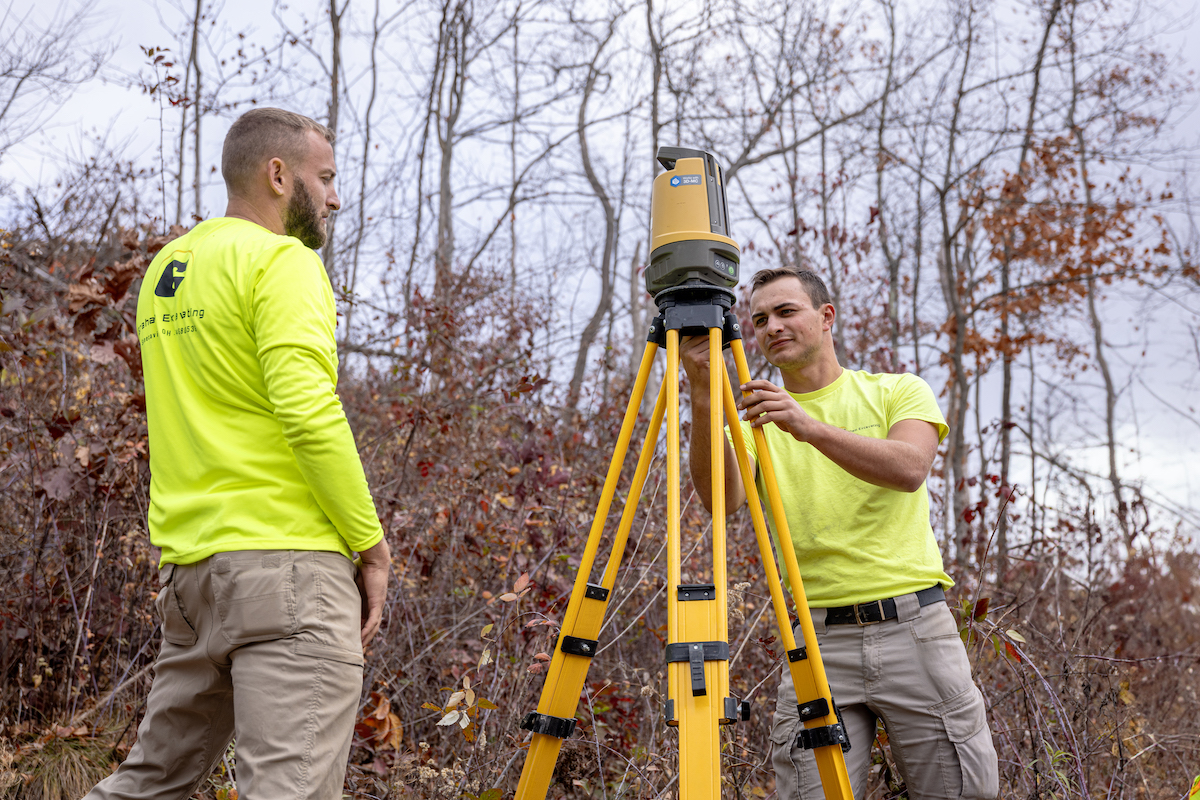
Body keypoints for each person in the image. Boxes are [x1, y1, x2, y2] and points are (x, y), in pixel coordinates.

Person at [86, 108, 391, 800]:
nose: (335, 198)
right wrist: (371, 546)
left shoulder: (170, 267)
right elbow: (308, 412)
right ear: (278, 175)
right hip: (288, 576)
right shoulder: (283, 262)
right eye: (326, 178)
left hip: (194, 579)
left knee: (148, 783)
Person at [681, 266, 998, 800]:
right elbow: (721, 500)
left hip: (915, 628)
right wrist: (703, 388)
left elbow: (908, 468)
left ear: (826, 317)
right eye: (760, 320)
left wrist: (805, 425)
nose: (772, 327)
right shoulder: (757, 416)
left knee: (964, 792)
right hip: (817, 641)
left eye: (786, 311)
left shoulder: (897, 390)